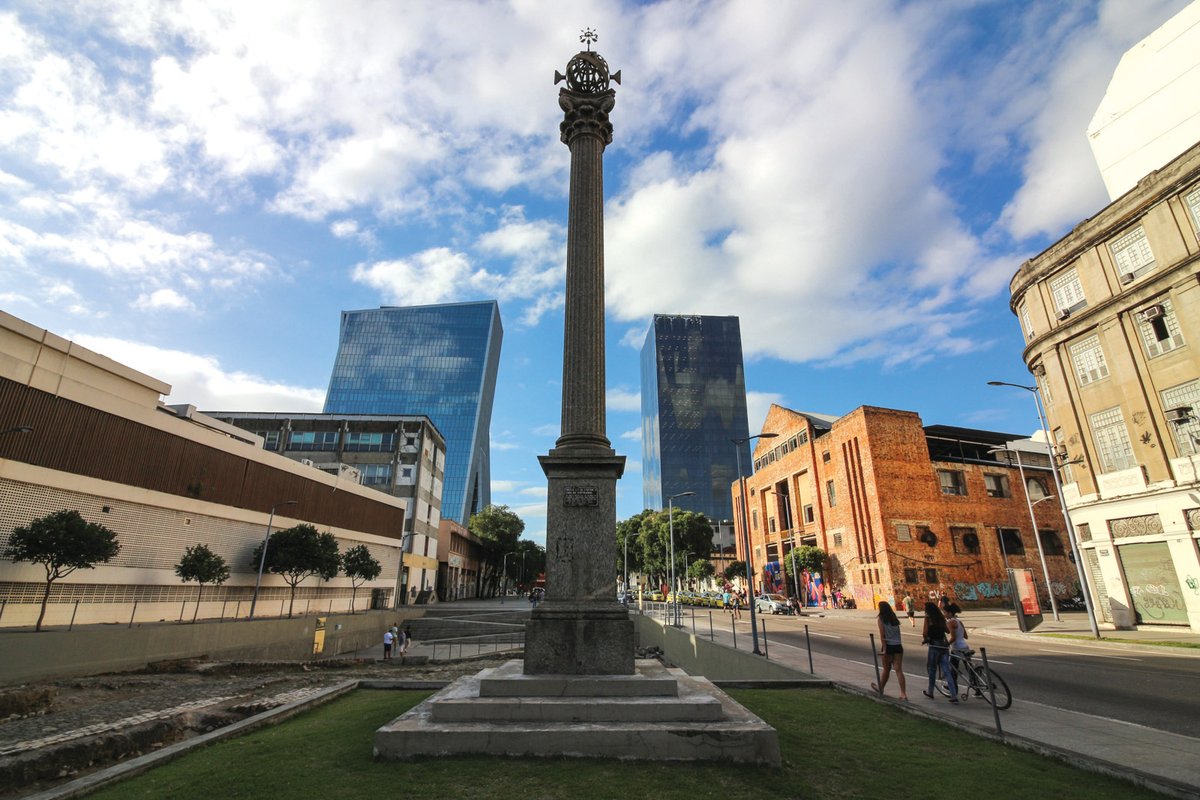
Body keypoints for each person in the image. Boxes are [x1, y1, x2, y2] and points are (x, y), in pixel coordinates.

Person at [871, 601, 907, 700]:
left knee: (886, 669)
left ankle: (881, 688)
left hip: (888, 646)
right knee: (899, 670)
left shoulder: (881, 619)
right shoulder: (894, 618)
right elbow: (898, 634)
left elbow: (883, 636)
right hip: (898, 645)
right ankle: (903, 693)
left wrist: (885, 650)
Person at [921, 601, 957, 702]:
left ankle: (930, 692)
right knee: (947, 670)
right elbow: (947, 631)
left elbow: (924, 632)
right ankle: (953, 695)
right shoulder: (941, 618)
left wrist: (926, 638)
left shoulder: (928, 618)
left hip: (934, 645)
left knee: (932, 670)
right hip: (943, 646)